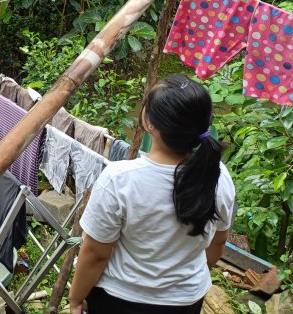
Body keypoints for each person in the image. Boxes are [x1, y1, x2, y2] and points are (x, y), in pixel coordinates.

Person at [68, 74, 236, 314]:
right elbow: (218, 241)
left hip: (119, 301)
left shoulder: (119, 178)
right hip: (186, 302)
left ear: (148, 122)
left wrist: (76, 299)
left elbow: (95, 254)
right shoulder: (218, 175)